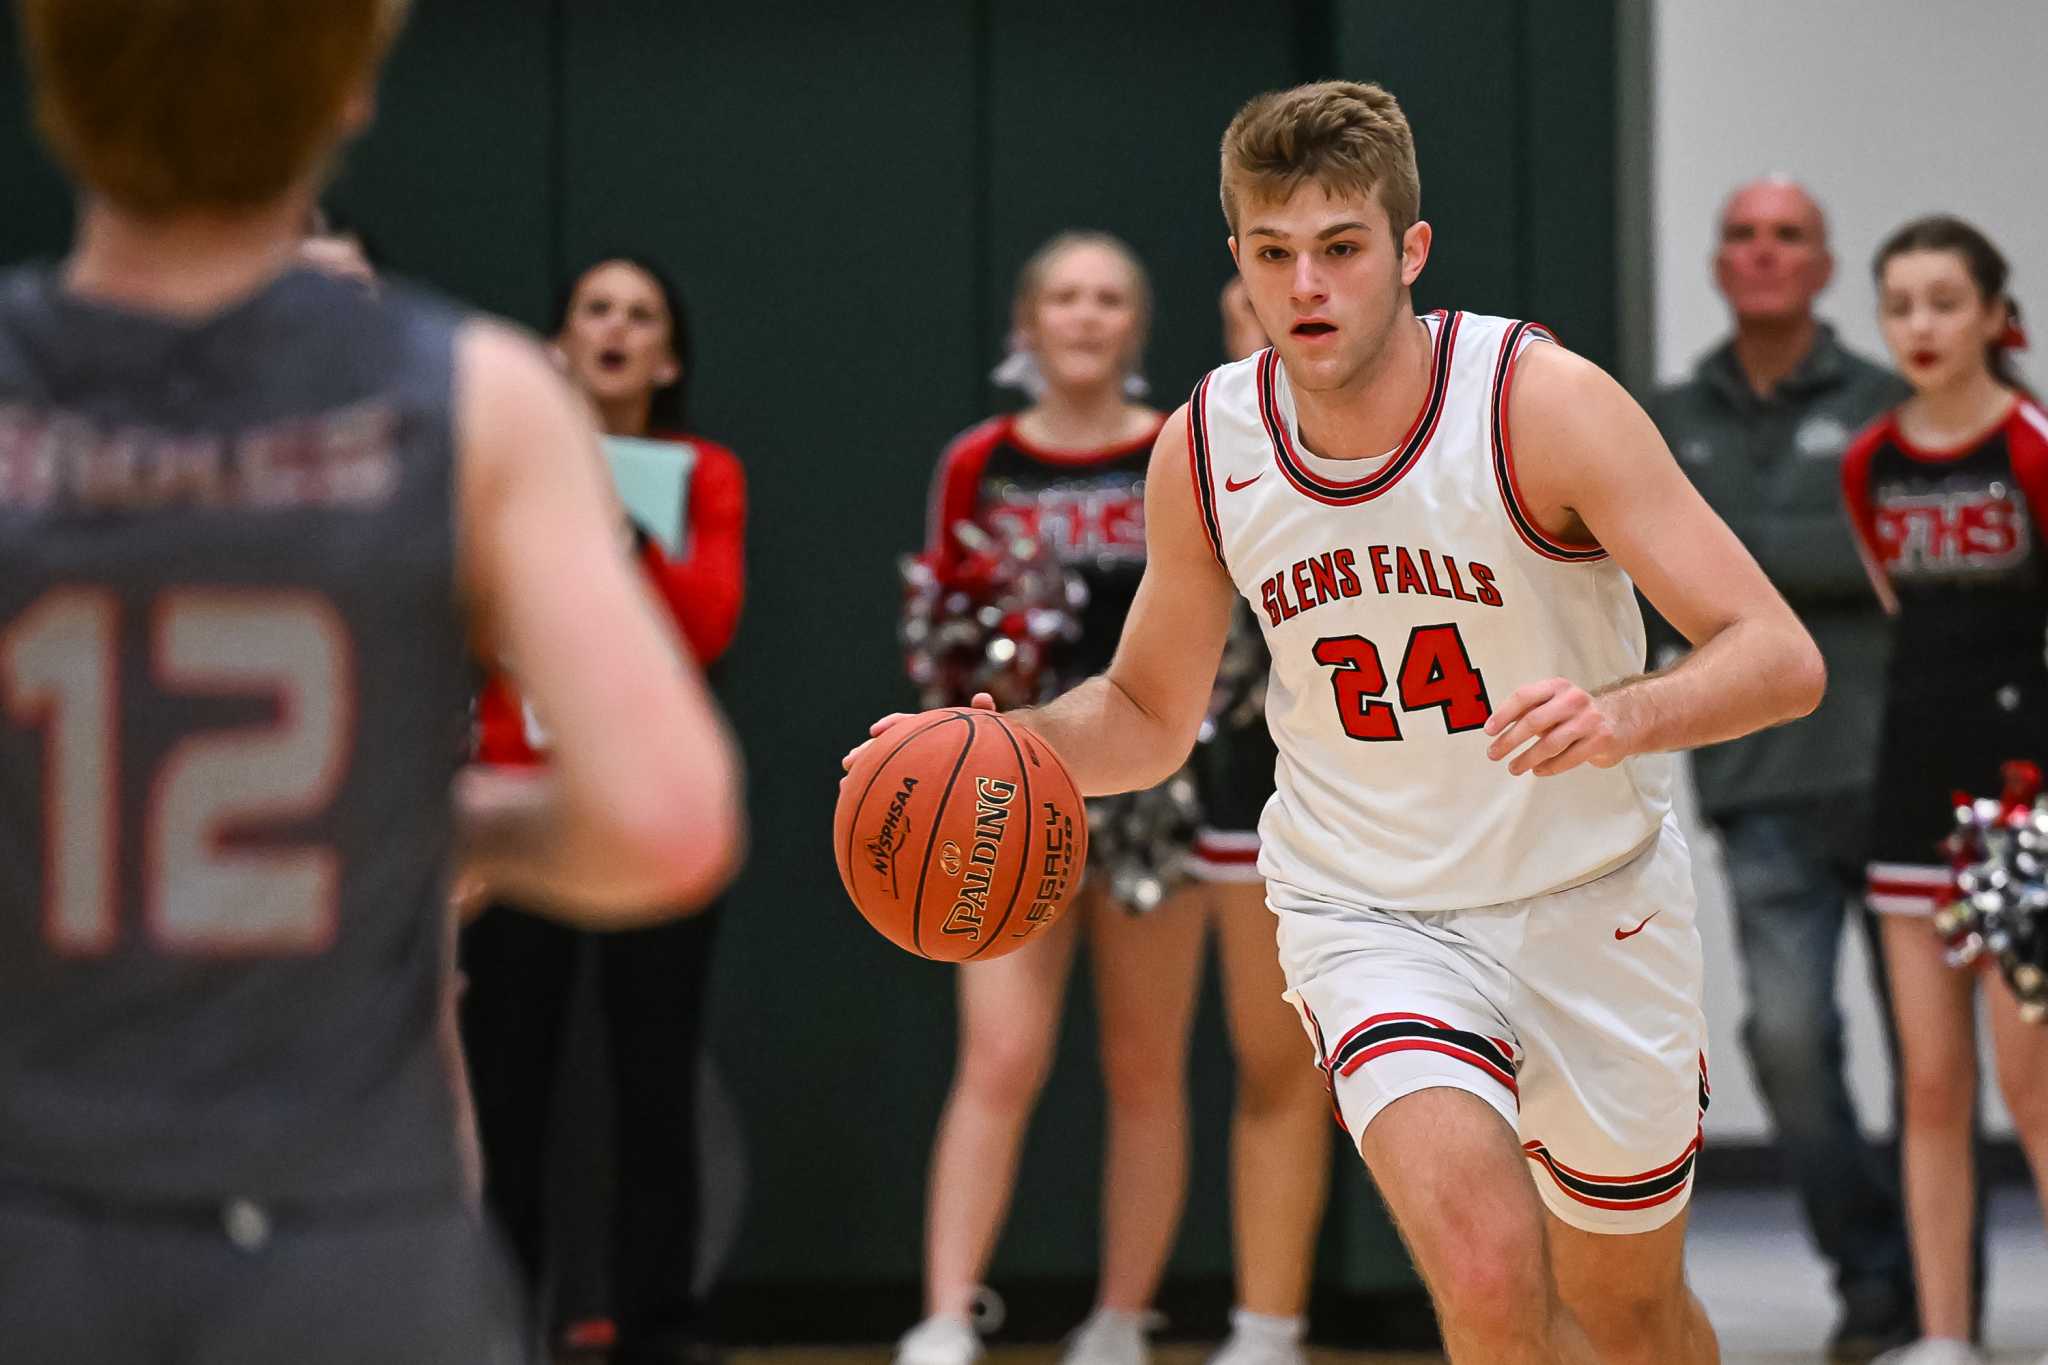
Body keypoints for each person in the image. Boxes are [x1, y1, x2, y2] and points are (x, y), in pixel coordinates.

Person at [848, 79, 1826, 1365]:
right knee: (1482, 1267)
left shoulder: (1539, 403)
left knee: (1626, 1310)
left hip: (1591, 894)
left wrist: (1622, 712)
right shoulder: (1207, 443)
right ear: (1239, 261)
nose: (1304, 284)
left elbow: (1778, 655)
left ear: (1408, 252)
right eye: (1271, 254)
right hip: (1371, 911)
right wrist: (1006, 747)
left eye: (1340, 248)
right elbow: (1147, 713)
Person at [0, 1, 745, 1361]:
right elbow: (667, 821)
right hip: (348, 1236)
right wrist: (428, 825)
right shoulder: (478, 395)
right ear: (351, 92)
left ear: (46, 74)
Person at [895, 232, 1206, 1365]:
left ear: (1136, 322)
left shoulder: (1179, 447)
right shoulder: (979, 457)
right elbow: (938, 628)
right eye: (1063, 298)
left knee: (1142, 1062)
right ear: (1026, 322)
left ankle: (1121, 1317)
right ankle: (941, 1314)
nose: (1084, 316)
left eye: (1107, 298)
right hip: (998, 792)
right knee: (998, 1057)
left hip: (1147, 798)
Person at [1646, 178, 1915, 1361]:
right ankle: (1873, 1273)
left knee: (1939, 1060)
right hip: (1756, 788)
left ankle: (1935, 1292)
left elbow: (1911, 546)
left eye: (1786, 237)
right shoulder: (1662, 419)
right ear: (1718, 265)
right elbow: (1646, 577)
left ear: (1822, 265)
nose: (1761, 254)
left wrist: (1731, 564)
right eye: (1741, 237)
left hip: (1907, 772)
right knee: (1786, 1042)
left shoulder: (1894, 403)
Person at [461, 256, 746, 1365]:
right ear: (561, 338)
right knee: (503, 1080)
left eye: (641, 316)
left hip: (644, 808)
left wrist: (598, 513)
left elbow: (703, 622)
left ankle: (656, 1327)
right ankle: (496, 1321)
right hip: (512, 799)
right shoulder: (500, 470)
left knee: (652, 1070)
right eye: (596, 310)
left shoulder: (699, 471)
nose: (617, 329)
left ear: (665, 357)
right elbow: (472, 609)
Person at [1840, 215, 2048, 1365]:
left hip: (2023, 800)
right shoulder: (1865, 461)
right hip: (1908, 789)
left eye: (1942, 302)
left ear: (1989, 317)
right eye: (1899, 305)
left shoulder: (2029, 446)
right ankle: (1940, 1334)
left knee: (2031, 1084)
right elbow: (1895, 614)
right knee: (1926, 1080)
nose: (1919, 326)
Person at [1187, 277, 1330, 1365]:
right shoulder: (1203, 451)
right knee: (1273, 1064)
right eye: (1249, 297)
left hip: (1423, 792)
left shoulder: (1421, 439)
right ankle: (1264, 1328)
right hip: (1249, 782)